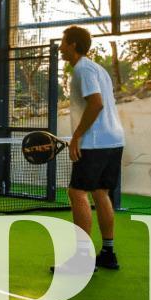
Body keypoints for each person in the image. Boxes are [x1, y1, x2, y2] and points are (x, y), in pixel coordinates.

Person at [55, 25, 124, 273]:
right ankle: (108, 253)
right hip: (114, 140)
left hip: (95, 143)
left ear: (73, 44)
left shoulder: (83, 69)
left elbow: (96, 103)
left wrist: (76, 137)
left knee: (77, 193)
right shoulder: (97, 69)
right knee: (100, 193)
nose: (60, 47)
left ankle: (82, 258)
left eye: (63, 42)